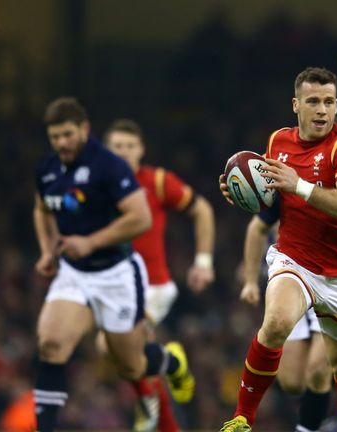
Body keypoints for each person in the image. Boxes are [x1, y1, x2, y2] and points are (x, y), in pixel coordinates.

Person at [218, 66, 337, 432]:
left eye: (329, 102)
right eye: (313, 101)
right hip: (294, 260)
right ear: (296, 105)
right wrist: (243, 194)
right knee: (275, 323)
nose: (322, 110)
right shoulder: (277, 141)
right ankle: (242, 418)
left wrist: (300, 186)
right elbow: (273, 199)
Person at [32, 97, 194, 432]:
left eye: (67, 134)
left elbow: (141, 217)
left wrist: (90, 242)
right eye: (55, 137)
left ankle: (172, 362)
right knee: (51, 344)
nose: (62, 143)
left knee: (131, 366)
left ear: (84, 129)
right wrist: (47, 251)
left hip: (116, 273)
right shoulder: (47, 169)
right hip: (74, 273)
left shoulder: (108, 166)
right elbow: (41, 208)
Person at [104, 118, 216, 432]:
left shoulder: (157, 181)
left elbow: (202, 210)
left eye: (130, 146)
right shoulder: (98, 187)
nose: (124, 152)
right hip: (114, 286)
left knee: (116, 347)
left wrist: (203, 262)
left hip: (153, 287)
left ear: (141, 150)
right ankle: (170, 367)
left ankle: (162, 379)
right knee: (133, 360)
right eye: (117, 146)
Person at [239, 194, 337, 432]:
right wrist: (250, 280)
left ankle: (325, 416)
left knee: (318, 370)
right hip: (297, 280)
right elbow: (257, 227)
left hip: (333, 284)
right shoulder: (287, 184)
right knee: (292, 382)